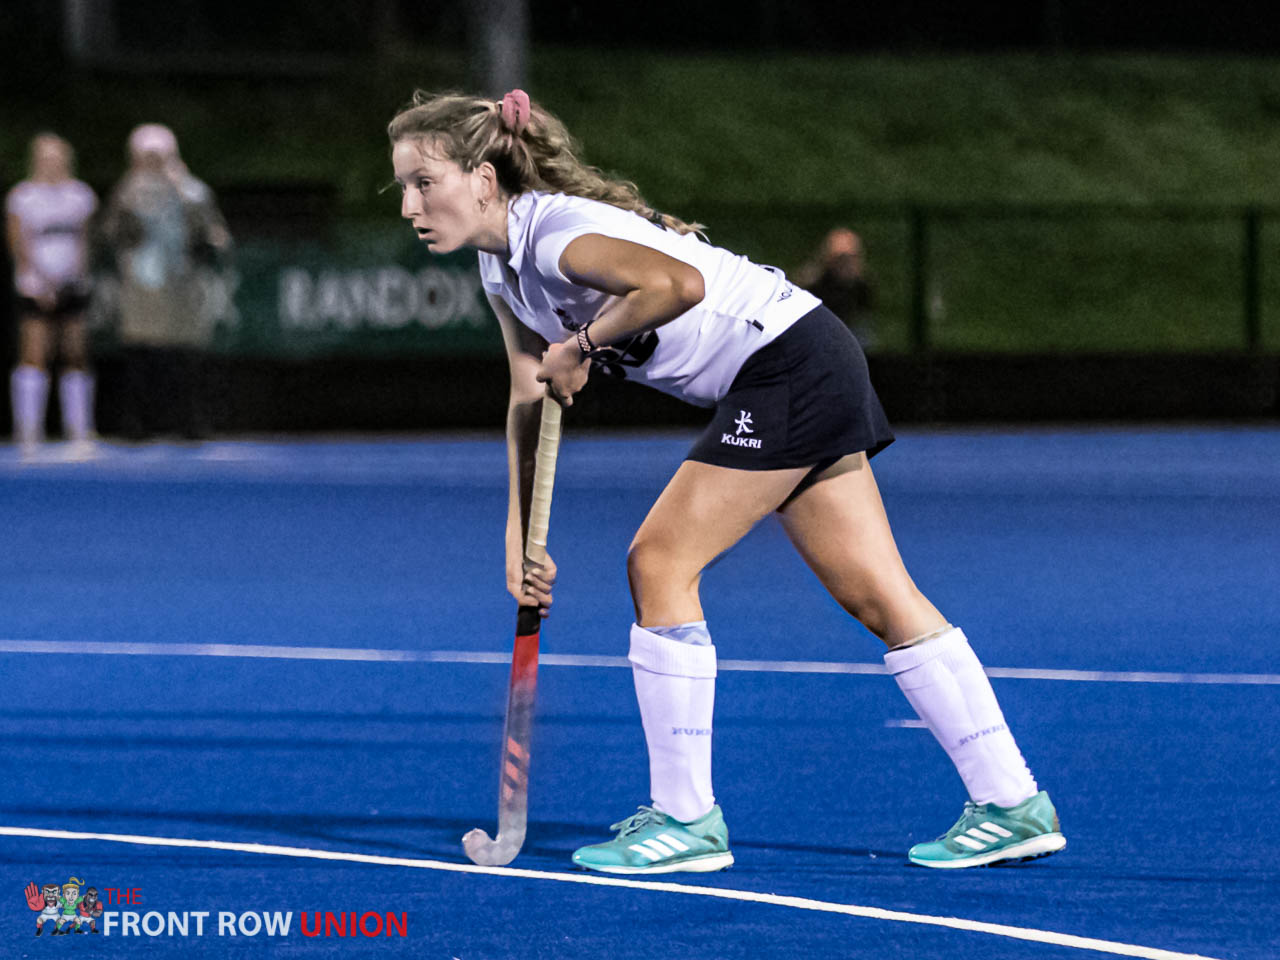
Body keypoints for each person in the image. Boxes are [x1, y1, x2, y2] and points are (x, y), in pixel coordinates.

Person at [388, 89, 1065, 873]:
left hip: (783, 365)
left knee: (659, 562)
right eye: (401, 186)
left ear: (482, 178)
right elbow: (527, 392)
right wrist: (521, 536)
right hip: (804, 359)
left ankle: (685, 820)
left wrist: (580, 341)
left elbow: (677, 285)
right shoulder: (501, 268)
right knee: (877, 593)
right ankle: (1013, 801)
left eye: (423, 182)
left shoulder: (554, 236)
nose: (409, 204)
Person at [99, 123, 231, 440]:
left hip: (180, 288)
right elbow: (110, 234)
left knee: (184, 360)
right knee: (141, 360)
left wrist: (183, 194)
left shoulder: (193, 191)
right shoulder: (127, 191)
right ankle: (137, 425)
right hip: (140, 288)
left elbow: (215, 236)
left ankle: (190, 422)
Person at [5, 133, 98, 459]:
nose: (52, 163)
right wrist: (42, 283)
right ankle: (29, 430)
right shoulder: (23, 197)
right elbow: (18, 242)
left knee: (75, 353)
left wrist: (76, 278)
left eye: (57, 157)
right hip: (35, 286)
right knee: (34, 353)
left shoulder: (80, 195)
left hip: (72, 285)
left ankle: (79, 429)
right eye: (46, 158)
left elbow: (83, 240)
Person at [794, 226, 874, 348]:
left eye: (853, 257)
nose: (848, 263)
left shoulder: (862, 287)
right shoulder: (812, 286)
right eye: (842, 258)